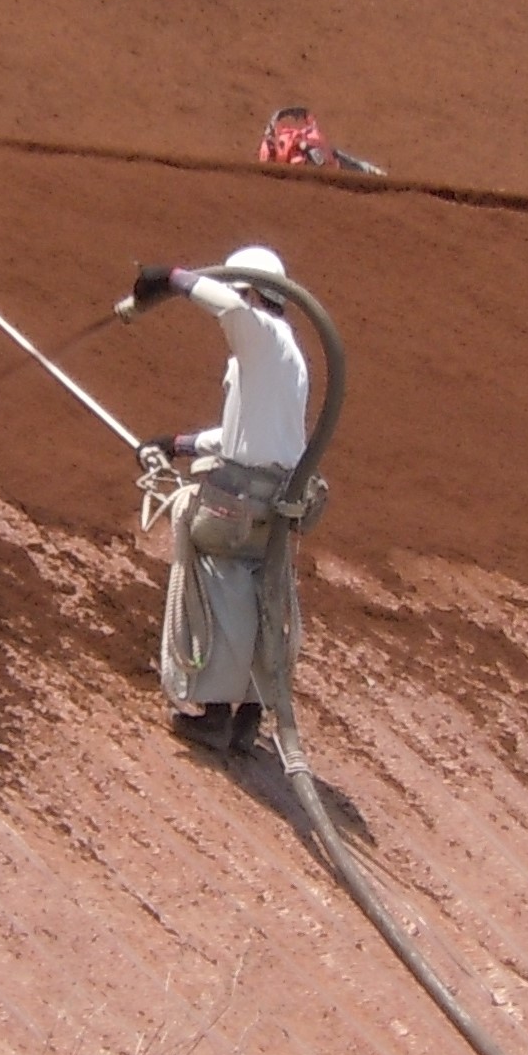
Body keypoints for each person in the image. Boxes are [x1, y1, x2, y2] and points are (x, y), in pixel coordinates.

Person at [122, 245, 310, 753]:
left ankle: (214, 714)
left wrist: (173, 278)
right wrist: (180, 444)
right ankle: (248, 712)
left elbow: (228, 308)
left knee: (216, 580)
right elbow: (247, 435)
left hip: (241, 499)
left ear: (251, 291)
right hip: (273, 499)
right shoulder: (285, 352)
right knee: (255, 591)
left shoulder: (263, 336)